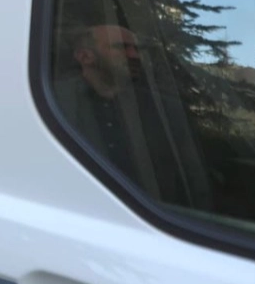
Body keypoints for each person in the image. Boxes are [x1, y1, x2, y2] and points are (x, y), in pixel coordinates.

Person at [54, 18, 210, 208]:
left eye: (137, 49)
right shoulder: (53, 102)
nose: (134, 55)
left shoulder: (162, 109)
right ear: (85, 57)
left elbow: (192, 176)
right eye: (121, 47)